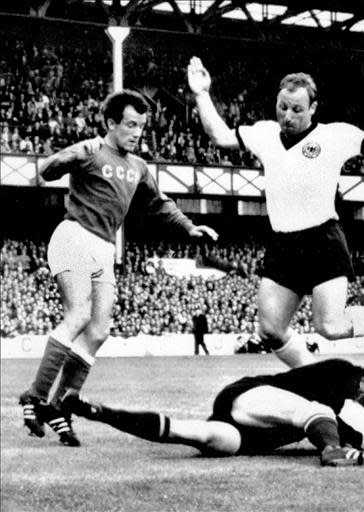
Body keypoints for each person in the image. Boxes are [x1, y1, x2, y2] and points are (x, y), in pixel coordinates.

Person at [187, 56, 364, 369]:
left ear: (313, 109)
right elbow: (220, 136)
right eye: (282, 107)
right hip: (282, 244)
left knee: (330, 326)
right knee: (271, 330)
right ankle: (315, 378)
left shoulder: (333, 136)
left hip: (322, 240)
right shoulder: (263, 133)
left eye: (297, 109)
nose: (287, 115)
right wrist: (202, 94)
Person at [19, 90, 219, 447]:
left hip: (103, 248)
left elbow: (159, 204)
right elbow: (47, 171)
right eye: (130, 124)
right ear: (111, 123)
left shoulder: (138, 166)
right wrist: (72, 153)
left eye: (141, 125)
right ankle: (34, 397)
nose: (137, 131)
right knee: (78, 315)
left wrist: (189, 227)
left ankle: (60, 406)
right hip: (75, 235)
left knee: (99, 331)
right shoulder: (92, 150)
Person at [61, 358, 364, 467]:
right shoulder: (343, 373)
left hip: (251, 431)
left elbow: (351, 430)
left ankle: (97, 411)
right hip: (251, 396)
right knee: (314, 411)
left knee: (199, 434)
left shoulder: (350, 404)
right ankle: (331, 453)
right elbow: (343, 427)